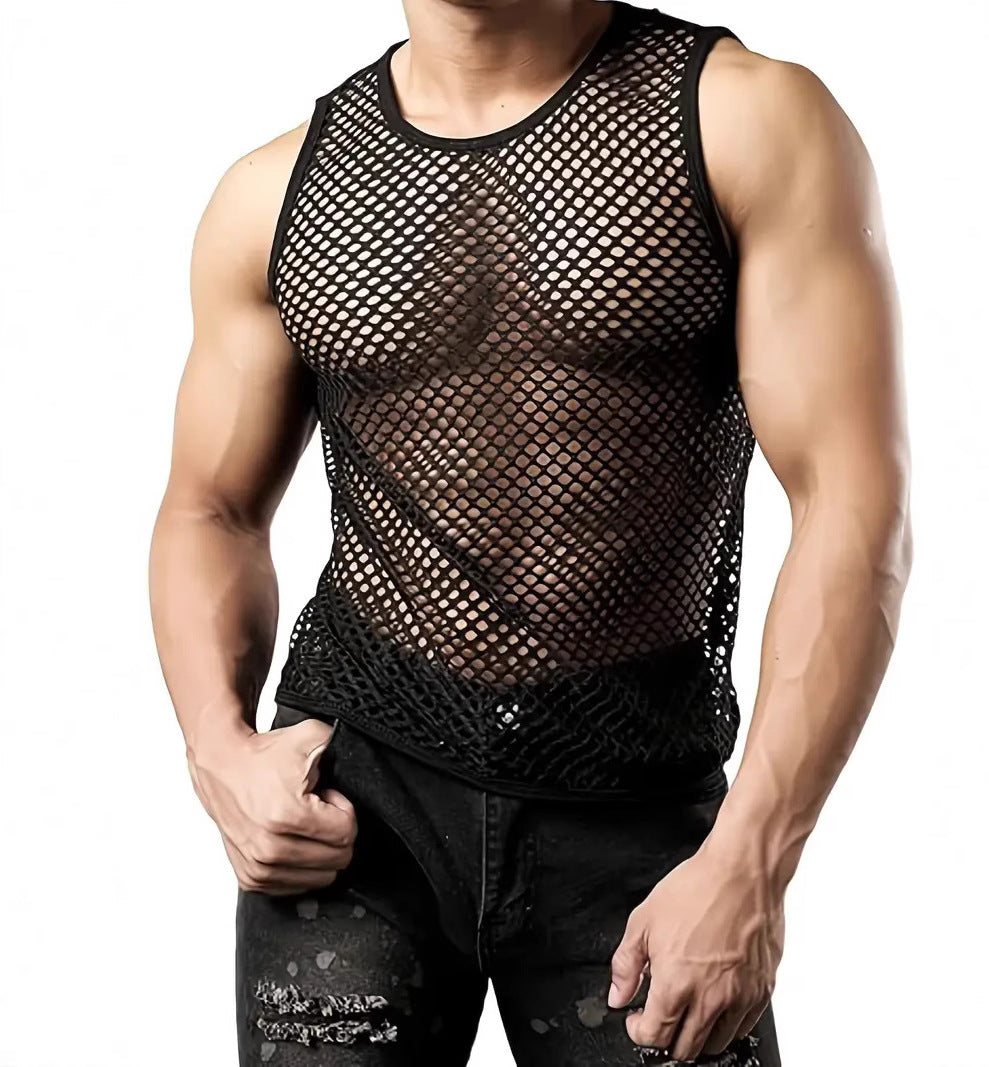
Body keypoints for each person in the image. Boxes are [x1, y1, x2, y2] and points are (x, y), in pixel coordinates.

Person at [148, 0, 912, 1063]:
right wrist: (217, 747)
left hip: (641, 820)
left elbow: (850, 498)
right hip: (359, 810)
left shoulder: (741, 120)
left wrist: (750, 858)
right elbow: (209, 507)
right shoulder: (275, 192)